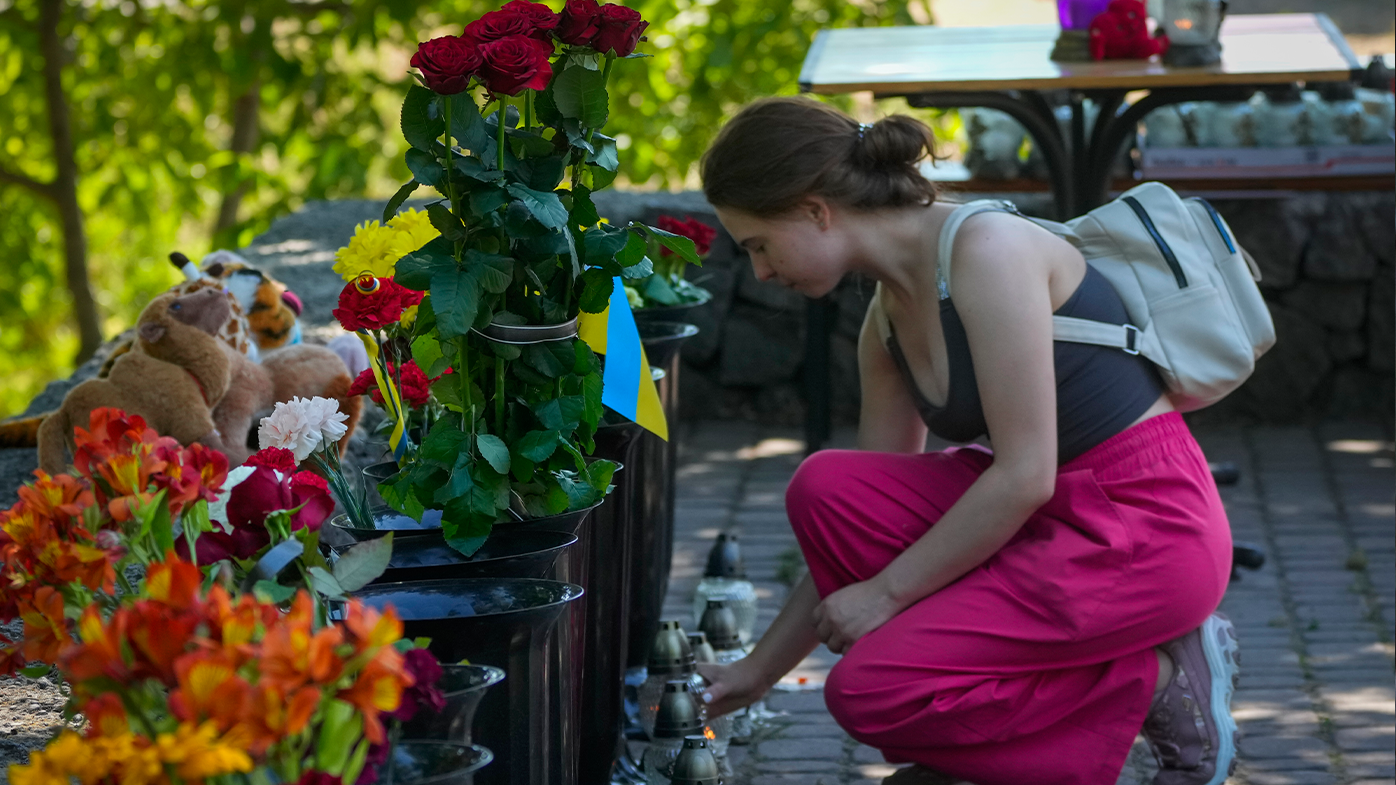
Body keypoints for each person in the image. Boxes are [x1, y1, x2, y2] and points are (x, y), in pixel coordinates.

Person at [693, 96, 1240, 785]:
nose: (762, 272)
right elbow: (863, 536)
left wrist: (888, 595)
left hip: (1144, 530)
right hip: (1051, 522)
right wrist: (756, 672)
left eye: (758, 246)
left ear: (813, 208)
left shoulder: (987, 251)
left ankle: (1156, 680)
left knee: (867, 688)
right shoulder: (885, 320)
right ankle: (1022, 742)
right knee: (827, 488)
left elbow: (1025, 474)